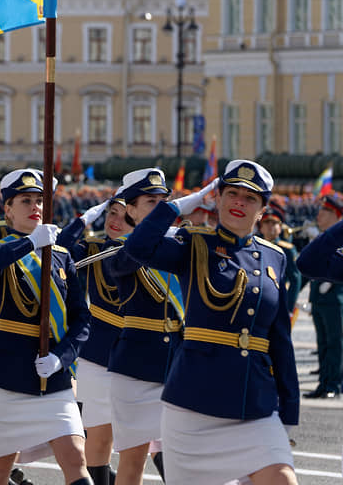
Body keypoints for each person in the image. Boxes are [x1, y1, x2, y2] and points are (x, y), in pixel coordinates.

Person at [124, 160, 299, 485]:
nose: (239, 203)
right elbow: (138, 247)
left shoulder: (276, 257)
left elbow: (281, 341)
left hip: (254, 404)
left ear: (263, 209)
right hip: (194, 404)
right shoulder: (193, 244)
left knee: (283, 480)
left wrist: (290, 410)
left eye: (250, 198)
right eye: (231, 193)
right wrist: (176, 206)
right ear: (216, 199)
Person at [0, 168, 92, 485]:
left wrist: (61, 358)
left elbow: (82, 320)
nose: (35, 207)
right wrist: (30, 243)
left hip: (53, 380)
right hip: (6, 379)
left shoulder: (61, 256)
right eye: (25, 200)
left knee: (76, 459)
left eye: (39, 200)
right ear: (8, 209)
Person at [105, 168, 184, 485]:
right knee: (133, 459)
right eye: (150, 201)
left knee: (185, 457)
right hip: (136, 369)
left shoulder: (182, 243)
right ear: (131, 209)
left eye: (162, 200)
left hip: (180, 366)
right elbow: (124, 264)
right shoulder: (120, 248)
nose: (158, 206)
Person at [60, 189, 131, 485]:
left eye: (124, 215)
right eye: (111, 212)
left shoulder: (157, 252)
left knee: (141, 443)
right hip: (99, 355)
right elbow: (59, 248)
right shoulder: (93, 248)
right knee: (100, 440)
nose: (114, 220)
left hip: (141, 354)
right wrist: (84, 219)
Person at [303, 195, 343, 399]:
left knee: (335, 343)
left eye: (324, 211)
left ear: (336, 215)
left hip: (336, 300)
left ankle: (334, 384)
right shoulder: (323, 237)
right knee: (323, 343)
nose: (319, 215)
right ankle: (324, 382)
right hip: (320, 299)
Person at [257, 207, 301, 317]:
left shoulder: (287, 249)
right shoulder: (254, 246)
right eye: (266, 222)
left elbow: (295, 279)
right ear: (261, 228)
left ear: (280, 229)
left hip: (278, 300)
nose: (270, 225)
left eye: (274, 223)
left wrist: (289, 307)